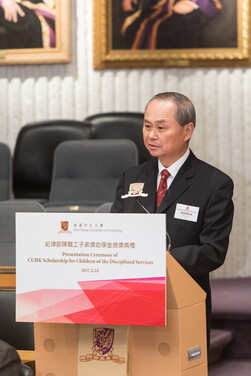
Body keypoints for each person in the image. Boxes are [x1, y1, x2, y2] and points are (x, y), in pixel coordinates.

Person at [111, 92, 234, 348]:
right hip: (131, 299)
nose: (151, 135)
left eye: (161, 127)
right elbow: (115, 234)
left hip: (182, 299)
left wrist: (157, 262)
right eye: (146, 126)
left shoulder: (214, 184)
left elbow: (212, 251)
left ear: (187, 130)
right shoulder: (130, 177)